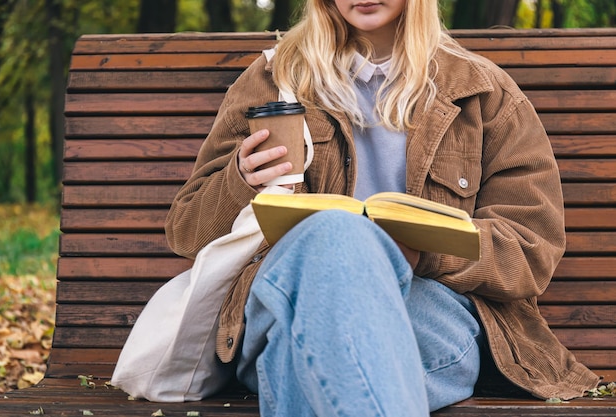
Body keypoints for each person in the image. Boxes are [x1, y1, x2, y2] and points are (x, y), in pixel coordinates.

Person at [165, 0, 600, 415]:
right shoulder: (274, 77)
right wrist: (240, 180)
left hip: (426, 306)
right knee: (335, 234)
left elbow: (530, 249)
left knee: (296, 357)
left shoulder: (481, 90)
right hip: (284, 293)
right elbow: (188, 232)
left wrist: (421, 251)